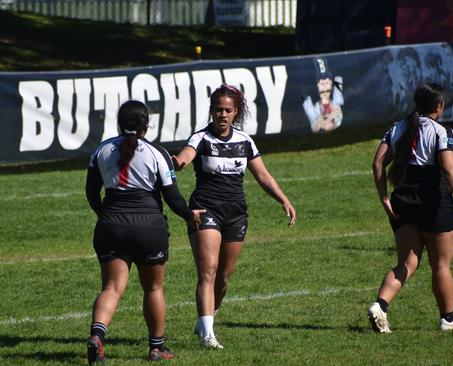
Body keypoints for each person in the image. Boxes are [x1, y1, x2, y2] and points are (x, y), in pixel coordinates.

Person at [172, 84, 297, 349]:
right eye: (218, 109)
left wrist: (283, 199)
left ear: (236, 112)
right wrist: (177, 162)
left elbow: (262, 176)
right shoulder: (201, 138)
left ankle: (205, 322)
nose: (223, 115)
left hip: (236, 214)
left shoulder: (244, 141)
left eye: (228, 110)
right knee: (208, 270)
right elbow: (185, 157)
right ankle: (208, 336)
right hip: (205, 210)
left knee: (223, 278)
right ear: (212, 111)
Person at [85, 100, 203, 363]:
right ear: (145, 127)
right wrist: (188, 216)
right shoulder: (156, 153)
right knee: (153, 288)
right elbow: (172, 197)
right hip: (148, 227)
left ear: (119, 124)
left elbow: (91, 192)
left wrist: (103, 214)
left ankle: (97, 336)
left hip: (111, 224)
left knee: (112, 287)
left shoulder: (102, 150)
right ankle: (156, 348)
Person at [368, 83, 453, 333]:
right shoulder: (441, 131)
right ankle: (448, 319)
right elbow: (448, 168)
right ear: (439, 105)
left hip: (402, 202)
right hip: (434, 203)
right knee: (441, 265)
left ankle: (380, 306)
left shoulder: (398, 127)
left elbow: (377, 163)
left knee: (407, 263)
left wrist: (384, 197)